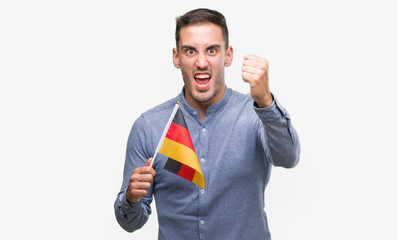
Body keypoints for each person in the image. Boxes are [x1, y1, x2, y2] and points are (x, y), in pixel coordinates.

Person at [114, 8, 300, 239]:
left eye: (212, 50)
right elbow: (130, 223)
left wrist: (264, 101)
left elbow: (288, 158)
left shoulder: (255, 115)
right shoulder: (149, 127)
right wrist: (131, 197)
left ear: (228, 55)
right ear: (176, 57)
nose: (201, 62)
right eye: (190, 51)